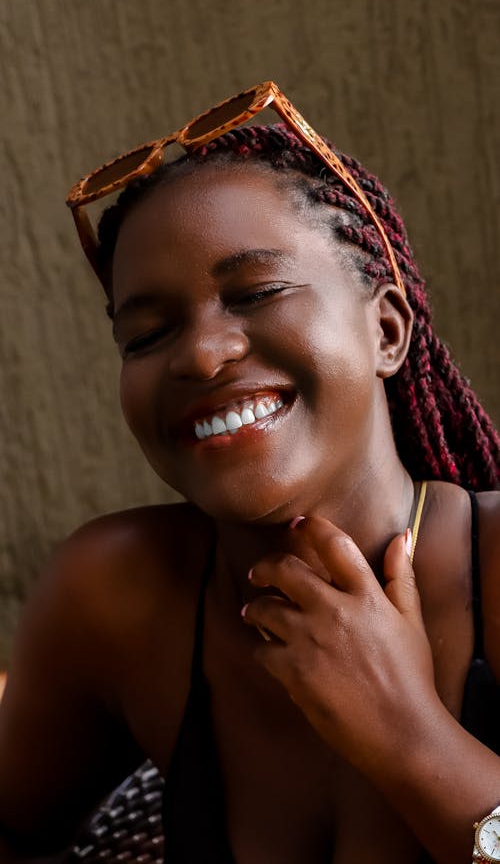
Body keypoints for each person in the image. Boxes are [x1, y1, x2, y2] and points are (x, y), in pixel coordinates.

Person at [0, 82, 499, 864]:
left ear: (389, 331)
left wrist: (410, 735)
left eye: (258, 291)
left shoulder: (493, 572)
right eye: (146, 334)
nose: (200, 354)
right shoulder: (117, 596)